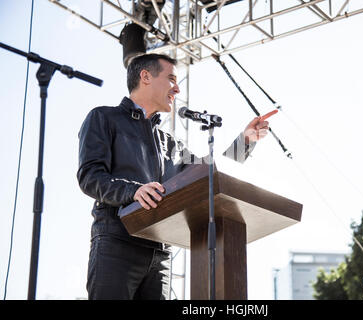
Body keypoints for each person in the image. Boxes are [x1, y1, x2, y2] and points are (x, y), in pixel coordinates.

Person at [77, 53, 270, 300]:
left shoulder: (170, 143)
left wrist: (245, 140)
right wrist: (133, 191)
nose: (177, 89)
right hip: (116, 242)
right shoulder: (104, 117)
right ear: (145, 76)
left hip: (160, 252)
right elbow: (90, 176)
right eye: (171, 79)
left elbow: (209, 175)